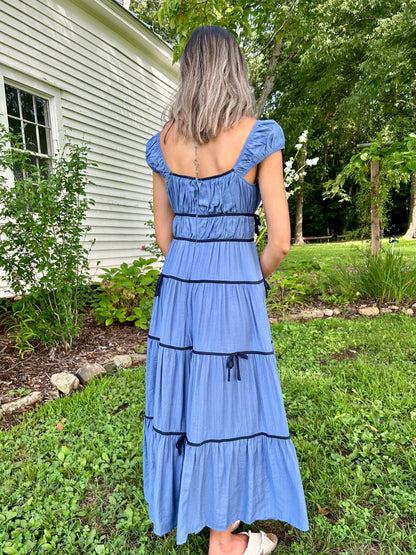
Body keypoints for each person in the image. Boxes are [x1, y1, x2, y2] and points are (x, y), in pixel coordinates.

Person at [143, 25, 309, 555]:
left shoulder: (163, 143)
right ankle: (225, 540)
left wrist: (195, 265)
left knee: (185, 394)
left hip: (178, 289)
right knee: (230, 404)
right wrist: (247, 275)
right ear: (233, 68)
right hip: (232, 286)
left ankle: (185, 510)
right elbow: (280, 242)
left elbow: (164, 237)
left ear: (189, 70)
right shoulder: (259, 136)